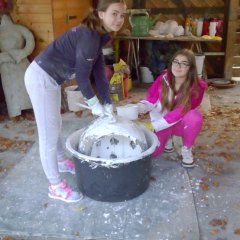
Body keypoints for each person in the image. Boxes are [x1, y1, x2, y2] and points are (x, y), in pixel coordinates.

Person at [24, 0, 127, 203]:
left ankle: (61, 160)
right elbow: (82, 77)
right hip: (41, 77)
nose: (119, 19)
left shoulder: (99, 35)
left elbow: (98, 72)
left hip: (51, 78)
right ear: (100, 14)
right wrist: (95, 105)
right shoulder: (89, 36)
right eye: (114, 14)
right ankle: (55, 186)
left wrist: (107, 102)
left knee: (56, 124)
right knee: (48, 134)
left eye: (122, 15)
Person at [137, 49, 207, 168]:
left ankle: (187, 149)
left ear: (190, 68)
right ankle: (167, 139)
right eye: (176, 61)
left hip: (180, 123)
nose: (178, 66)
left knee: (194, 117)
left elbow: (180, 111)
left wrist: (153, 126)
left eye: (184, 63)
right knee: (153, 153)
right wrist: (140, 107)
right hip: (162, 121)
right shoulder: (163, 78)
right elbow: (151, 99)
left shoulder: (197, 86)